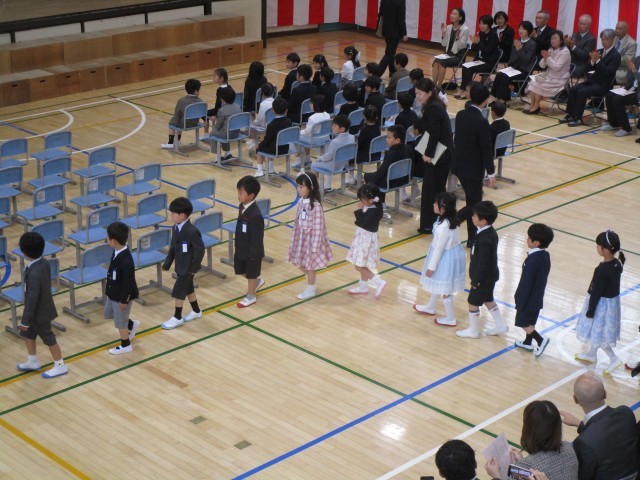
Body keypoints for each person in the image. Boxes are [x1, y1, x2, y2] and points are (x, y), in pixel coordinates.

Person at [560, 372, 639, 480]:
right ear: (605, 393)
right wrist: (579, 424)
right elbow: (607, 436)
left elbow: (583, 477)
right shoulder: (625, 413)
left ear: (575, 400)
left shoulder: (583, 442)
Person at [15, 232, 68, 378]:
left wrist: (25, 320)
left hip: (39, 312)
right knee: (28, 334)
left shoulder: (34, 273)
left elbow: (33, 298)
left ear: (24, 253)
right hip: (39, 309)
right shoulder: (43, 262)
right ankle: (32, 360)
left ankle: (60, 365)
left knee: (48, 337)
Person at [574, 230, 626, 374]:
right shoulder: (617, 263)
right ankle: (592, 355)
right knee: (597, 332)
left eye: (598, 245)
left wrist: (590, 310)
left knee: (600, 334)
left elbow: (596, 291)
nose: (597, 248)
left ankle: (614, 359)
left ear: (606, 249)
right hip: (611, 304)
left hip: (601, 306)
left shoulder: (602, 270)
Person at [485, 401, 578, 479]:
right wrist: (522, 462)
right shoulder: (568, 447)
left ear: (529, 430)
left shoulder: (526, 468)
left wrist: (496, 476)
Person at [457, 201, 507, 339]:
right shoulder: (488, 232)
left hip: (483, 278)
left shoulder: (485, 239)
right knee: (488, 299)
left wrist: (476, 281)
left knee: (473, 302)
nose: (472, 217)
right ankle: (501, 325)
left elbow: (483, 263)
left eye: (474, 216)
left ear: (483, 221)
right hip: (490, 276)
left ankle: (473, 330)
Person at [414, 192, 466, 327]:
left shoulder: (444, 226)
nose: (433, 205)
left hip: (445, 257)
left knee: (445, 287)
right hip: (452, 254)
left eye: (435, 203)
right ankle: (430, 306)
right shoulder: (450, 219)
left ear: (442, 208)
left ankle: (450, 318)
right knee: (440, 282)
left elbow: (439, 248)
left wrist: (431, 267)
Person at [453, 83, 495, 245]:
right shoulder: (481, 122)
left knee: (473, 202)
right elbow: (486, 148)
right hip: (473, 168)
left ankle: (472, 238)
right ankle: (453, 219)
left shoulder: (461, 115)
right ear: (485, 101)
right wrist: (491, 172)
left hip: (459, 164)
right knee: (475, 204)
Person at [414, 78, 453, 234]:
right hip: (442, 152)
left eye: (420, 93)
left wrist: (428, 154)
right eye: (416, 93)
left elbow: (434, 133)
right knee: (437, 189)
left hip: (439, 155)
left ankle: (429, 224)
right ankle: (437, 221)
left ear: (429, 93)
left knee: (431, 190)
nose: (418, 96)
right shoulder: (434, 106)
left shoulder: (434, 109)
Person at [286, 172, 333, 300]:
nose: (298, 189)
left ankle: (310, 288)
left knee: (310, 265)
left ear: (311, 188)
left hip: (312, 241)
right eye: (298, 186)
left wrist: (315, 247)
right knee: (297, 262)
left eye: (302, 187)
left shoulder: (316, 206)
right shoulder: (301, 201)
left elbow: (319, 226)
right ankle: (312, 278)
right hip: (301, 238)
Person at [561, 29, 621, 127]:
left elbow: (608, 72)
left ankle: (578, 118)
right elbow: (588, 68)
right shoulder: (599, 51)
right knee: (573, 89)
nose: (604, 42)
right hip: (593, 82)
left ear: (613, 40)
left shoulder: (615, 55)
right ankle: (570, 114)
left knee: (582, 92)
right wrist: (592, 62)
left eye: (607, 40)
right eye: (602, 39)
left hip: (604, 85)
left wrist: (598, 61)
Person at [161, 197, 205, 330]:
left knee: (179, 290)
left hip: (188, 268)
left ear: (182, 215)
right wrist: (168, 263)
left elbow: (200, 250)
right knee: (188, 288)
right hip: (180, 265)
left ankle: (177, 317)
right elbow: (173, 247)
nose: (171, 215)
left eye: (173, 213)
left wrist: (194, 268)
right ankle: (196, 311)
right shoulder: (175, 228)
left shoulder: (191, 231)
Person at [513, 223, 554, 357]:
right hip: (537, 297)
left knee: (523, 322)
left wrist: (519, 299)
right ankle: (527, 342)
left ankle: (540, 340)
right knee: (530, 321)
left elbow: (526, 283)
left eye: (529, 238)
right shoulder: (545, 256)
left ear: (536, 242)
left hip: (528, 299)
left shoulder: (531, 261)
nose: (527, 239)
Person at [105, 221, 140, 355]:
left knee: (120, 322)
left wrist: (124, 300)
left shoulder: (126, 261)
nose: (107, 239)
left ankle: (126, 344)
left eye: (108, 238)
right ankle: (131, 324)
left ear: (113, 241)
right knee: (110, 313)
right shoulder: (116, 251)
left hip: (121, 296)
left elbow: (128, 283)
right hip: (113, 292)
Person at [346, 184, 386, 297]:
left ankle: (379, 281)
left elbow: (361, 223)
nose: (361, 201)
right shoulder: (373, 208)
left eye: (363, 199)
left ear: (372, 199)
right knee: (363, 265)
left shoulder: (373, 211)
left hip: (366, 241)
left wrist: (359, 210)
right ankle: (363, 287)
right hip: (364, 239)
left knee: (358, 266)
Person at [234, 176, 266, 308]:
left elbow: (257, 237)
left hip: (252, 251)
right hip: (241, 246)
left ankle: (251, 296)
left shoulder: (255, 215)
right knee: (239, 269)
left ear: (251, 195)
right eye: (238, 192)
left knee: (251, 272)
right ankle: (256, 282)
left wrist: (253, 255)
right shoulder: (242, 206)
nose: (238, 195)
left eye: (241, 193)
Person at [524, 30, 571, 115]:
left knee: (538, 85)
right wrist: (545, 59)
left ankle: (536, 106)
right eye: (552, 39)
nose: (553, 41)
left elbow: (557, 67)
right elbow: (541, 66)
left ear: (561, 41)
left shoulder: (565, 52)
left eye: (555, 39)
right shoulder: (551, 49)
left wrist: (548, 58)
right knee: (533, 81)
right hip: (549, 75)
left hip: (559, 79)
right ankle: (532, 105)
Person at [364, 125, 413, 205]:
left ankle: (380, 203)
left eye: (389, 137)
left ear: (397, 140)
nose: (386, 139)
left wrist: (370, 184)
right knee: (377, 176)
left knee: (369, 176)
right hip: (404, 179)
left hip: (390, 182)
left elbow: (381, 172)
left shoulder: (390, 154)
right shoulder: (409, 148)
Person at [490, 21, 536, 103]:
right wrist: (509, 64)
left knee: (506, 76)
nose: (521, 31)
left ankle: (503, 99)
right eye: (520, 28)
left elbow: (526, 60)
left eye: (523, 29)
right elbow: (512, 57)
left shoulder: (532, 44)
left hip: (524, 71)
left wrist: (520, 50)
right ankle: (496, 97)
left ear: (528, 31)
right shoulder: (516, 41)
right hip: (514, 68)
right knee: (500, 74)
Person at [455, 15, 499, 100]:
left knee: (469, 69)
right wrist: (474, 43)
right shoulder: (481, 33)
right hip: (480, 60)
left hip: (489, 63)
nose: (481, 26)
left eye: (484, 24)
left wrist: (479, 43)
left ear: (489, 25)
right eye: (480, 24)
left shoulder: (493, 35)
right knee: (465, 66)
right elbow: (474, 49)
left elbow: (488, 50)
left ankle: (468, 92)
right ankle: (463, 89)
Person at [601, 54, 640, 137]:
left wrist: (634, 70)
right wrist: (630, 70)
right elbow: (630, 79)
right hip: (632, 88)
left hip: (638, 94)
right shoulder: (637, 59)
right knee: (609, 95)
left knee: (617, 99)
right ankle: (614, 123)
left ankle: (626, 128)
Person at [432, 7, 470, 90]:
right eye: (451, 13)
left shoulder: (465, 29)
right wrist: (443, 33)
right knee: (436, 61)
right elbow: (444, 44)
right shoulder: (449, 27)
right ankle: (433, 86)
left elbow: (462, 46)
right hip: (448, 54)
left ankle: (438, 87)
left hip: (458, 56)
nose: (452, 15)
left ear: (460, 17)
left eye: (455, 14)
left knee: (441, 62)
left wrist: (457, 38)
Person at [315, 114, 356, 191]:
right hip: (345, 164)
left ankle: (316, 187)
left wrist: (320, 158)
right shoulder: (352, 137)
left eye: (334, 126)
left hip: (335, 166)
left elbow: (329, 156)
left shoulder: (335, 142)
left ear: (342, 129)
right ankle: (327, 185)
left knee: (314, 164)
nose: (332, 127)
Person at [254, 97, 292, 177]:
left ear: (273, 110)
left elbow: (267, 140)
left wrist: (259, 145)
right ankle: (270, 169)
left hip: (275, 150)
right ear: (286, 110)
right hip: (285, 148)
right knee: (271, 144)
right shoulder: (289, 122)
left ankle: (259, 171)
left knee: (259, 149)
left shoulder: (271, 125)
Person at [161, 78, 203, 149]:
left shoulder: (181, 101)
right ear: (196, 91)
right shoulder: (201, 101)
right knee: (181, 119)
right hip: (195, 123)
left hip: (185, 124)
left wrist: (174, 122)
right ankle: (177, 141)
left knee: (172, 123)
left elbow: (176, 114)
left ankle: (171, 143)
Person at [295, 94, 330, 169]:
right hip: (324, 138)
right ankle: (307, 159)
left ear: (314, 105)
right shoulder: (327, 115)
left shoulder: (312, 118)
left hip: (314, 140)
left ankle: (299, 161)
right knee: (305, 137)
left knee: (295, 137)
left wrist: (299, 132)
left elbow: (307, 132)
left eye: (311, 103)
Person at [209, 87, 242, 162]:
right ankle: (227, 153)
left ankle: (218, 156)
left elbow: (217, 126)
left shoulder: (222, 110)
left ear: (222, 99)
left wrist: (213, 122)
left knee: (212, 134)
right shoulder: (238, 107)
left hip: (227, 134)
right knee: (225, 130)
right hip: (236, 133)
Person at [377, 0, 407, 77]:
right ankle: (377, 75)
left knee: (391, 52)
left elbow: (381, 14)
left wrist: (379, 29)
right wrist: (404, 33)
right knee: (389, 53)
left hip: (386, 29)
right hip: (395, 31)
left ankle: (392, 71)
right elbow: (401, 18)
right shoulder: (400, 1)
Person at [564, 14, 597, 79]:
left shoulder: (591, 39)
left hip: (581, 64)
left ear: (589, 25)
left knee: (569, 72)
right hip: (570, 61)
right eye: (580, 23)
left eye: (584, 24)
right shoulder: (575, 34)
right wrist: (566, 44)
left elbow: (584, 55)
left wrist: (572, 46)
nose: (581, 26)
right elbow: (569, 51)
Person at [246, 82, 275, 151]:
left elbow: (260, 119)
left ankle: (254, 142)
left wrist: (254, 121)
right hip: (273, 124)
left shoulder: (263, 104)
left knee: (252, 124)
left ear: (262, 93)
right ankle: (253, 141)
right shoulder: (275, 102)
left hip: (265, 125)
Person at [205, 67, 235, 132]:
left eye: (215, 76)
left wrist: (215, 115)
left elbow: (218, 106)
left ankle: (206, 133)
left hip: (221, 110)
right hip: (230, 108)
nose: (213, 78)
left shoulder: (220, 90)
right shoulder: (229, 86)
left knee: (203, 114)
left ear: (221, 79)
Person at [613, 21, 638, 85]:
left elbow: (627, 61)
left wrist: (610, 58)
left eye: (620, 29)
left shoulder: (632, 43)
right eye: (616, 28)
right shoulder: (614, 39)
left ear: (626, 30)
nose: (617, 30)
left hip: (621, 71)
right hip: (610, 68)